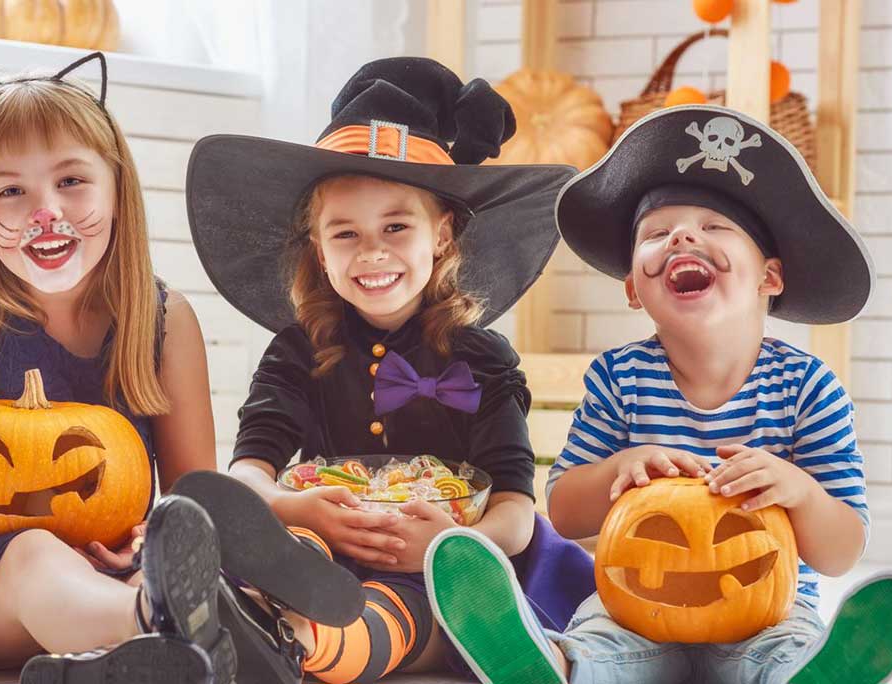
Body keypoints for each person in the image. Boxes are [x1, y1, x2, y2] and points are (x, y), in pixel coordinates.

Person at [0, 52, 359, 683]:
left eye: (71, 181)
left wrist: (160, 543)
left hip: (104, 569)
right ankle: (177, 625)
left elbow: (191, 494)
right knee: (34, 554)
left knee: (180, 561)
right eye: (11, 190)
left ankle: (171, 648)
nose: (45, 211)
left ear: (117, 189)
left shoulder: (161, 320)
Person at [424, 104, 892, 684]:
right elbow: (562, 510)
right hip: (635, 610)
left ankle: (810, 675)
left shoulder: (809, 390)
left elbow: (840, 552)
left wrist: (799, 492)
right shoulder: (619, 378)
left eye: (715, 227)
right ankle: (549, 667)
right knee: (600, 642)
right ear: (635, 288)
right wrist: (620, 465)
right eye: (658, 233)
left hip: (766, 611)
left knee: (783, 648)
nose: (684, 235)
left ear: (769, 277)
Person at [182, 56, 596, 684]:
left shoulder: (483, 360)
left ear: (443, 236)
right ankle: (232, 618)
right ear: (319, 252)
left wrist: (453, 545)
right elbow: (250, 472)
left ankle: (303, 645)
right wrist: (302, 511)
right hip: (322, 542)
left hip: (450, 567)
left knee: (404, 602)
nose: (372, 251)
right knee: (299, 556)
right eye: (345, 234)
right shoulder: (298, 349)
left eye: (396, 226)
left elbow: (514, 509)